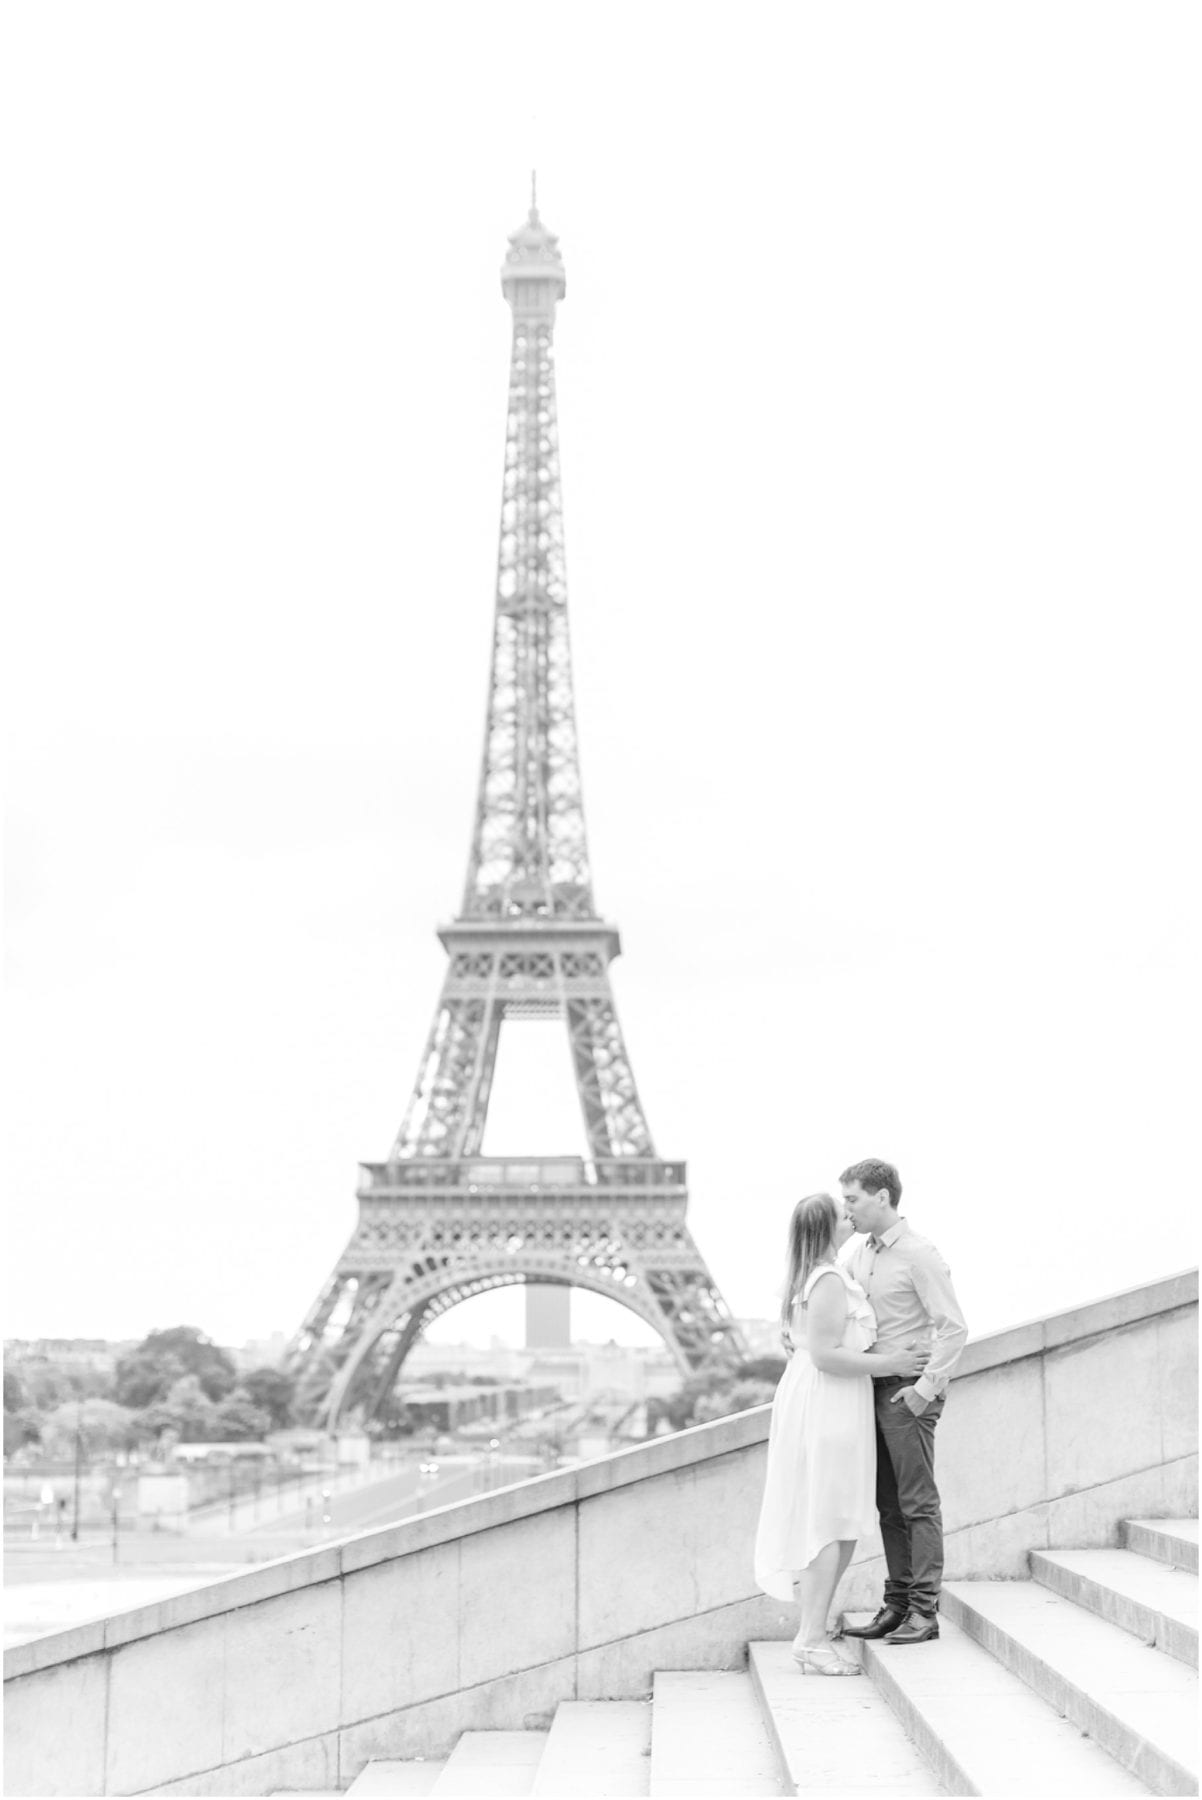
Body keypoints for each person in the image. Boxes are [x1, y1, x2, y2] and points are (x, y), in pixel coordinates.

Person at [754, 1192, 929, 1675]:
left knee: (840, 1522)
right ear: (826, 1227)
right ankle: (809, 1638)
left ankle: (813, 1630)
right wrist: (892, 1362)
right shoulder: (828, 1279)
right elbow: (828, 1356)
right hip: (830, 1404)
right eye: (841, 1213)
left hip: (829, 1402)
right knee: (833, 1522)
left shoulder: (818, 1273)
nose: (848, 1215)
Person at [839, 1158, 968, 1646]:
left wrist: (924, 1390)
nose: (846, 1209)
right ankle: (896, 1605)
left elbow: (953, 1328)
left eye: (852, 1199)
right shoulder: (860, 1255)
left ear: (882, 1197)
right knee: (888, 1506)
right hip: (870, 1391)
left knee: (917, 1504)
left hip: (905, 1394)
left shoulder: (918, 1254)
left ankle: (924, 1611)